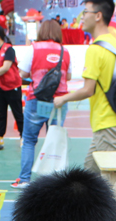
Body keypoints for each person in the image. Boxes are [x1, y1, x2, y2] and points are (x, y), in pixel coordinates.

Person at [53, 0, 116, 173]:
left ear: (98, 16)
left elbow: (88, 89)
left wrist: (63, 99)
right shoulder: (115, 44)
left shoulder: (96, 49)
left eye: (85, 12)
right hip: (114, 117)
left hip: (106, 121)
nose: (82, 17)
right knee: (91, 170)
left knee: (113, 175)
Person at [14, 19, 72, 188]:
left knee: (29, 140)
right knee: (54, 138)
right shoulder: (65, 51)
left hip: (37, 100)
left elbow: (23, 72)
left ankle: (24, 179)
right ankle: (54, 180)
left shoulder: (34, 48)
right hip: (59, 102)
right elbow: (68, 76)